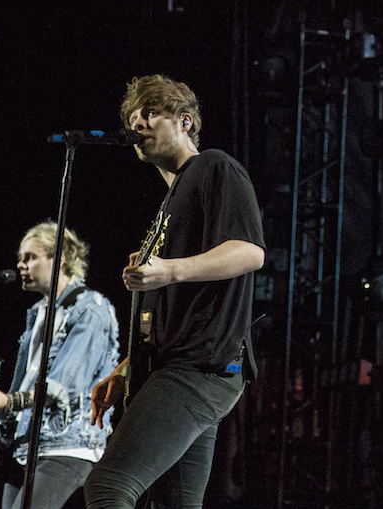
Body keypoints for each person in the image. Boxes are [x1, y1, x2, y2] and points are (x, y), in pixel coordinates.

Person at [83, 75, 265, 509]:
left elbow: (250, 252)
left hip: (198, 367)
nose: (137, 124)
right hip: (187, 366)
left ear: (185, 121)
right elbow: (174, 307)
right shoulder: (171, 199)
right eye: (132, 118)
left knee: (108, 487)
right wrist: (128, 367)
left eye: (150, 113)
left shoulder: (214, 167)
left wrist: (169, 269)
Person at [0, 222, 121, 509]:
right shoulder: (38, 313)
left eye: (30, 257)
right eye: (21, 258)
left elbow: (61, 388)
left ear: (60, 259)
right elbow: (30, 381)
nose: (21, 264)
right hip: (28, 447)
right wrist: (10, 446)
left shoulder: (90, 309)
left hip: (67, 448)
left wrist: (8, 402)